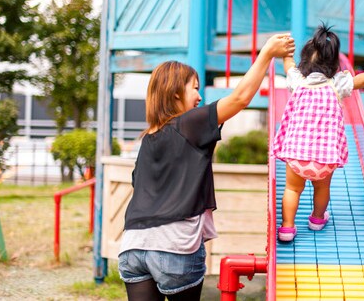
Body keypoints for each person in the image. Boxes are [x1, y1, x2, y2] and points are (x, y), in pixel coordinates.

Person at [117, 34, 295, 301]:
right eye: (195, 88)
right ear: (177, 91)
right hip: (173, 245)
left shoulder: (148, 139)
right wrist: (267, 53)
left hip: (132, 247)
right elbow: (239, 99)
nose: (200, 96)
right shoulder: (188, 124)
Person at [272, 24, 364, 242]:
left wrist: (286, 53)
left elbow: (288, 66)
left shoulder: (298, 82)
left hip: (297, 157)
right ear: (334, 65)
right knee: (322, 187)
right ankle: (317, 219)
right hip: (324, 161)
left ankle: (287, 227)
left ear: (304, 64)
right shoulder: (337, 85)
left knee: (292, 189)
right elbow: (360, 81)